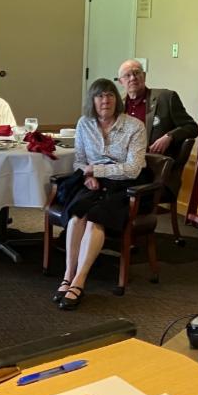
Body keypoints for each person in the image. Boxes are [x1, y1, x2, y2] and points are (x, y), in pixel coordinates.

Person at [54, 78, 147, 311]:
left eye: (110, 95)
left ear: (117, 99)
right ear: (92, 101)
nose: (105, 100)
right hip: (92, 181)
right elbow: (79, 160)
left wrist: (97, 170)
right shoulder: (84, 123)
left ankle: (79, 281)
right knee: (77, 215)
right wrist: (88, 176)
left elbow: (133, 169)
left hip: (123, 184)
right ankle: (67, 275)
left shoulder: (135, 126)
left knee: (96, 218)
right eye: (100, 96)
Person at [116, 59, 197, 198]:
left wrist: (169, 136)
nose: (133, 78)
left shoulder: (165, 98)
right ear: (120, 81)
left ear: (144, 75)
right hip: (125, 168)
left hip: (155, 173)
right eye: (127, 75)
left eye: (136, 73)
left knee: (111, 191)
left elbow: (192, 127)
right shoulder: (118, 106)